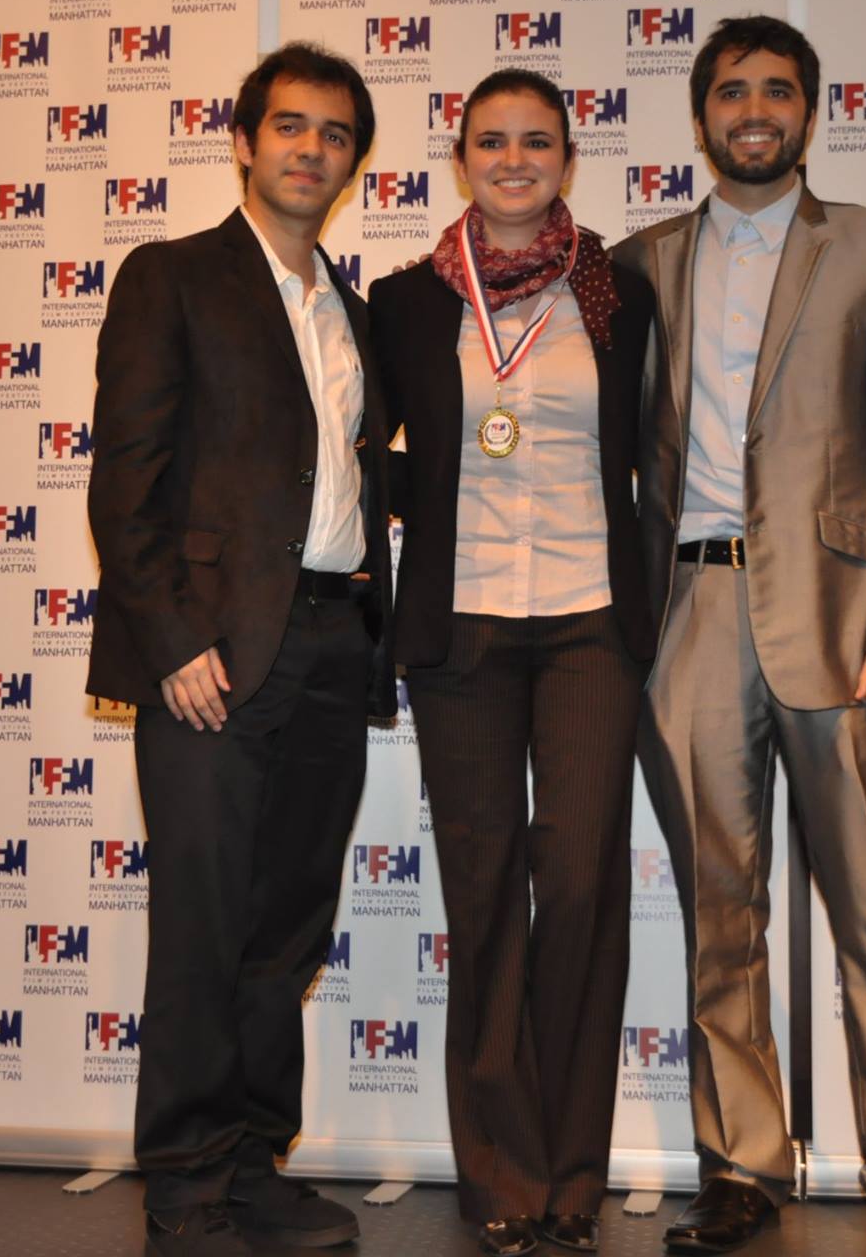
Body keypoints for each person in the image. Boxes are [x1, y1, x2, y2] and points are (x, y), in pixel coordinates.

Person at [611, 17, 866, 1257]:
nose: (754, 109)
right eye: (732, 91)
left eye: (777, 90)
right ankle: (740, 1166)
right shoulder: (636, 264)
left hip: (846, 628)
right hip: (687, 620)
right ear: (701, 113)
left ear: (809, 111)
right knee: (721, 913)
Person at [86, 42, 394, 1257]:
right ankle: (183, 1185)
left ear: (352, 160)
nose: (310, 148)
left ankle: (256, 1163)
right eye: (290, 126)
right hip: (211, 653)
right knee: (206, 923)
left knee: (285, 929)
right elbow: (127, 479)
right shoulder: (171, 278)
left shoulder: (351, 314)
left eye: (333, 133)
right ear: (245, 141)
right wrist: (170, 637)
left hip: (330, 643)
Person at [367, 69, 657, 1257]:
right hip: (462, 631)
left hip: (589, 618)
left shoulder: (618, 295)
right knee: (482, 896)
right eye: (491, 141)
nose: (513, 159)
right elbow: (358, 451)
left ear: (567, 159)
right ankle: (500, 1169)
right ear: (459, 157)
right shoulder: (400, 301)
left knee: (581, 887)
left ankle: (573, 1176)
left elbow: (654, 443)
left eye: (536, 141)